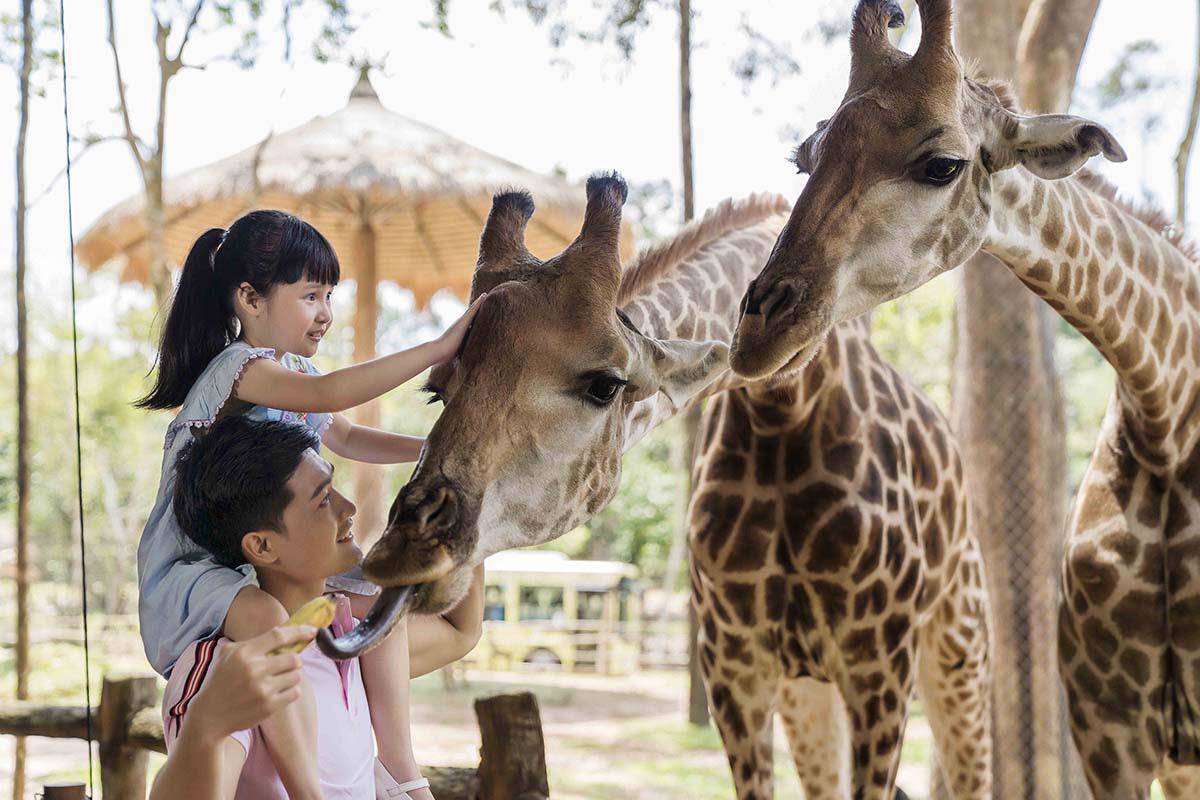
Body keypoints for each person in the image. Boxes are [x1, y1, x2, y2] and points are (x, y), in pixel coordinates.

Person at [136, 209, 484, 797]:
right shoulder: (242, 368)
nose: (325, 313)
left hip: (259, 554)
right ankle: (306, 788)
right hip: (198, 567)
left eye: (330, 296)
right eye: (311, 295)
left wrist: (437, 452)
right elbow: (327, 394)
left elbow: (345, 436)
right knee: (267, 622)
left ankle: (398, 765)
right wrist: (436, 349)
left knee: (376, 592)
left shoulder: (293, 369)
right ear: (249, 298)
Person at [152, 416, 483, 799]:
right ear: (262, 547)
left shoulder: (350, 638)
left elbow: (462, 631)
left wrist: (467, 489)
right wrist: (204, 728)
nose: (349, 508)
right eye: (324, 498)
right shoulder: (229, 670)